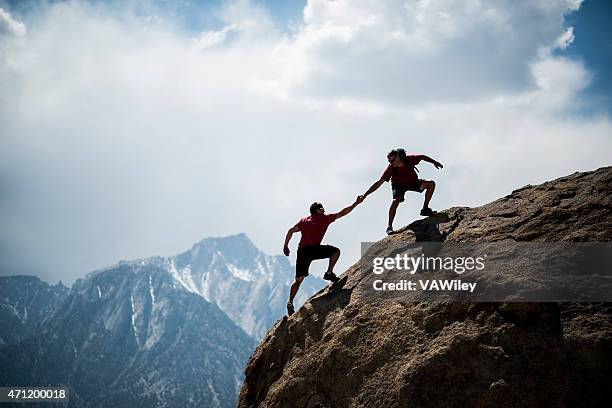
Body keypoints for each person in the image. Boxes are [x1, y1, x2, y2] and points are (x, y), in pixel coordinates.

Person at [283, 197, 363, 316]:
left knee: (298, 280)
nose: (324, 210)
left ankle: (290, 302)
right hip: (314, 249)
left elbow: (290, 230)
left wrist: (286, 245)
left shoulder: (303, 220)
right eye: (322, 209)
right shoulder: (325, 218)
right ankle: (329, 273)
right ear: (317, 210)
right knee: (335, 251)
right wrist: (356, 203)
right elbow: (343, 213)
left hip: (302, 251)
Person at [359, 148, 443, 235]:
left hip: (412, 182)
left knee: (431, 184)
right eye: (389, 161)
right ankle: (389, 227)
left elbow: (422, 157)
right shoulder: (391, 168)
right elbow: (378, 183)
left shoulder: (409, 159)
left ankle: (425, 209)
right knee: (396, 201)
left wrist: (434, 162)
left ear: (399, 157)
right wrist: (365, 195)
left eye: (392, 160)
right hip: (398, 185)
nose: (391, 163)